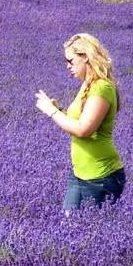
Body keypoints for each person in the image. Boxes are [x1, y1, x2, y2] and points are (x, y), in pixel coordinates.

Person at [35, 32, 125, 211]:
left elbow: (84, 130)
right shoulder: (87, 84)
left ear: (85, 57)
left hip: (101, 176)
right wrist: (60, 110)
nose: (68, 66)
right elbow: (78, 121)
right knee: (69, 229)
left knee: (90, 232)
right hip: (80, 174)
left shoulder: (101, 87)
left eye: (70, 60)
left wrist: (52, 112)